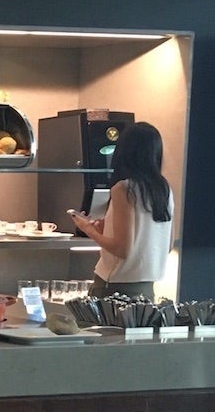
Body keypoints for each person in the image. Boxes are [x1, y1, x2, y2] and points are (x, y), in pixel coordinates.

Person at [70, 121, 173, 300]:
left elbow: (122, 249)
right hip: (147, 290)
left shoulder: (124, 188)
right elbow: (167, 245)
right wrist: (105, 230)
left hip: (114, 287)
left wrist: (88, 230)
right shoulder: (164, 189)